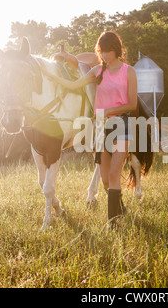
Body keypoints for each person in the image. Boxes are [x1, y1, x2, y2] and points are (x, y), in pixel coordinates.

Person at [40, 31, 138, 226]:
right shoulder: (97, 72)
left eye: (107, 52)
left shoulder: (129, 71)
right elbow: (73, 84)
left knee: (113, 174)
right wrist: (52, 75)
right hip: (102, 128)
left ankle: (113, 223)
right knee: (105, 182)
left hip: (122, 125)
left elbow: (133, 104)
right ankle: (119, 206)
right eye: (101, 52)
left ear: (116, 50)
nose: (104, 56)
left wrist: (107, 110)